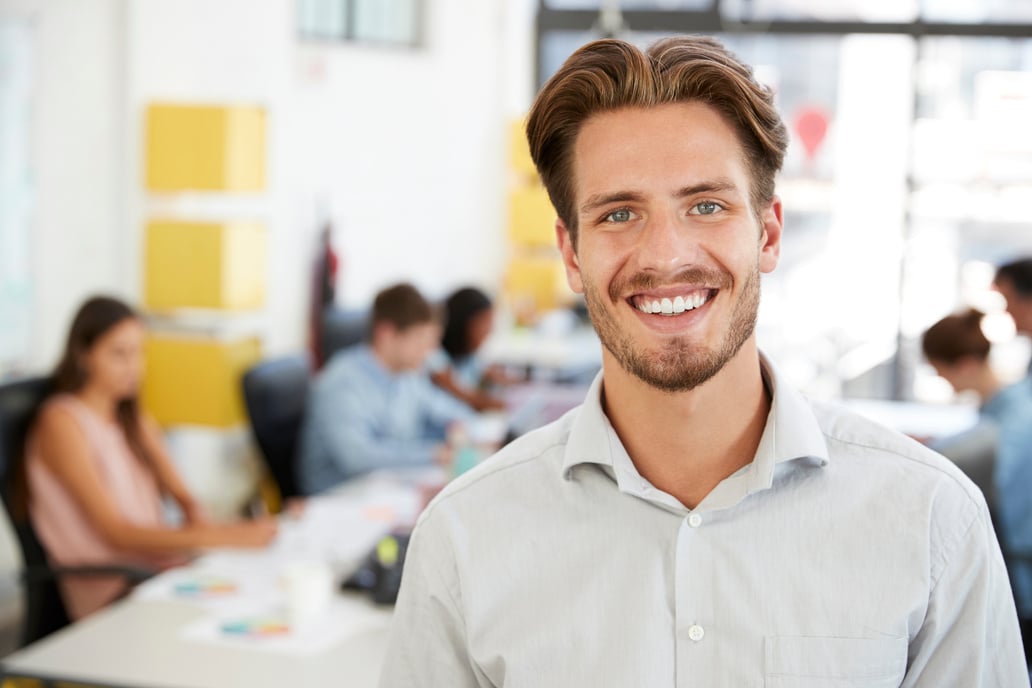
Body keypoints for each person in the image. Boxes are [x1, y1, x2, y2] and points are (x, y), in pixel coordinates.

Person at [380, 36, 1026, 686]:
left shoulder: (932, 521)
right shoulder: (463, 540)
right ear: (572, 256)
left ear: (768, 233)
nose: (665, 255)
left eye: (707, 206)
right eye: (620, 213)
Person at [23, 296, 277, 620]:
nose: (134, 367)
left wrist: (228, 527)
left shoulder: (131, 417)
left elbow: (185, 499)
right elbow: (115, 533)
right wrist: (219, 538)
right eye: (119, 354)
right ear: (83, 355)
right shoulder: (61, 422)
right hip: (114, 586)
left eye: (139, 352)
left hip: (155, 570)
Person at [298, 283, 473, 495]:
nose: (429, 351)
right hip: (341, 500)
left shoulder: (407, 375)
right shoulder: (341, 382)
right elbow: (358, 457)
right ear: (386, 333)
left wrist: (456, 427)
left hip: (389, 490)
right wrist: (432, 454)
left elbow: (445, 412)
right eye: (421, 339)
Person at [921, 309, 1032, 641]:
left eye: (940, 371)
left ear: (965, 365)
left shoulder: (1010, 429)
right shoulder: (1009, 412)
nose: (941, 380)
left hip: (1020, 582)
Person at [428, 287, 508, 412]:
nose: (490, 330)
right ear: (464, 323)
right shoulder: (435, 357)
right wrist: (512, 404)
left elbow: (490, 375)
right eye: (485, 322)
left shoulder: (469, 355)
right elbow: (469, 398)